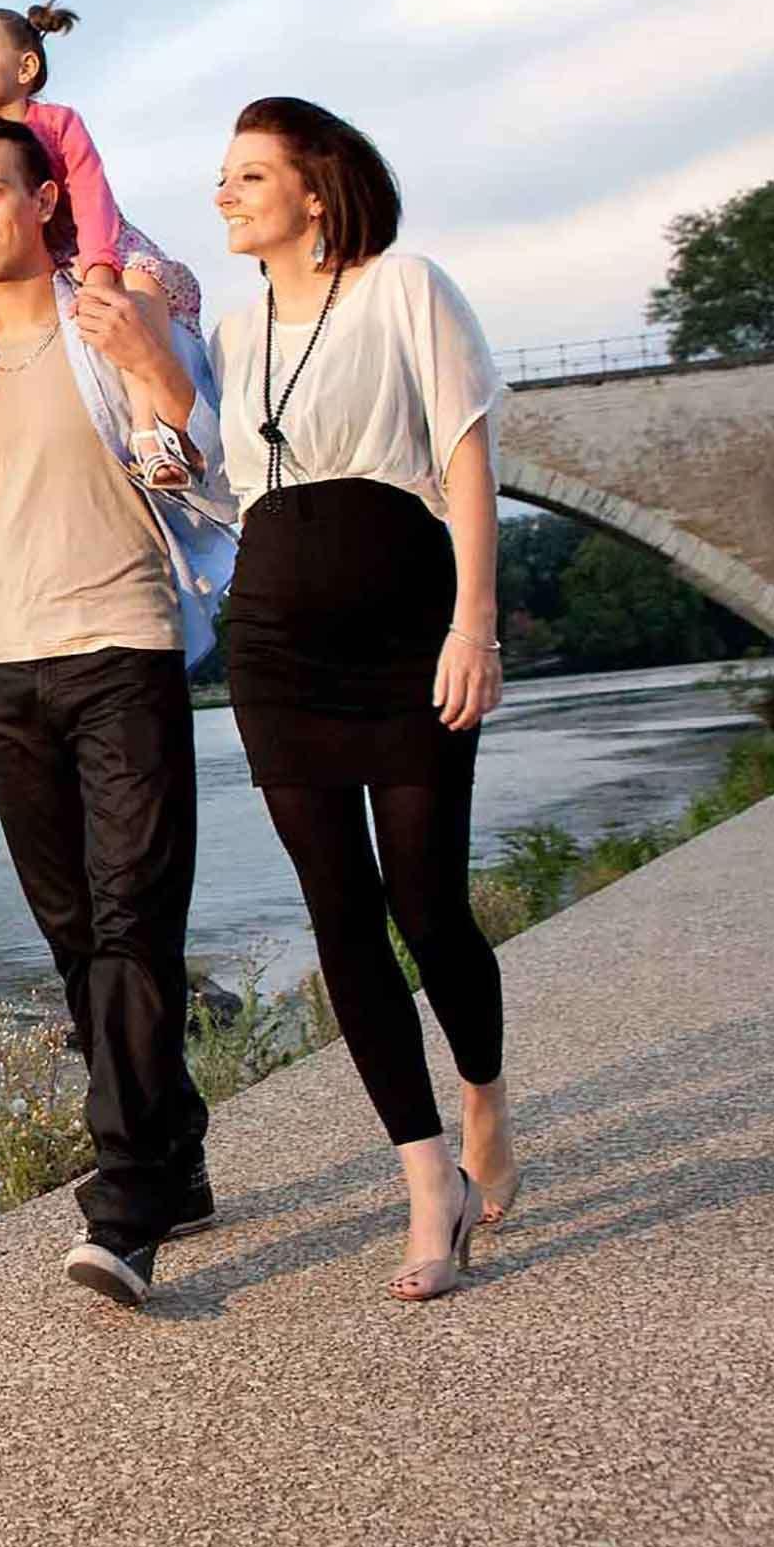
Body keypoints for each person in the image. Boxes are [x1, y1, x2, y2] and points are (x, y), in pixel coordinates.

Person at [0, 117, 238, 1307]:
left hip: (122, 645)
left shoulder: (113, 319)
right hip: (3, 670)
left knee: (135, 916)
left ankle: (123, 1205)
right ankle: (174, 1152)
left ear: (43, 202)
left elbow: (208, 462)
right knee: (78, 933)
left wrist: (158, 369)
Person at [208, 97, 516, 1304]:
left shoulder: (406, 287)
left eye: (247, 175)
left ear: (316, 191)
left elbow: (467, 459)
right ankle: (425, 1179)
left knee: (427, 899)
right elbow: (230, 485)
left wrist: (474, 624)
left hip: (406, 634)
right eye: (222, 178)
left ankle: (485, 1090)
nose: (224, 195)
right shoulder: (234, 337)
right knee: (340, 913)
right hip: (277, 647)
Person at [0, 3, 208, 530]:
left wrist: (101, 266)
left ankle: (150, 431)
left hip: (86, 247)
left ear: (25, 69)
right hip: (13, 270)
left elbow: (90, 194)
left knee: (140, 284)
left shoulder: (56, 124)